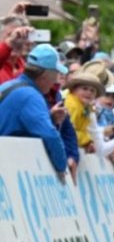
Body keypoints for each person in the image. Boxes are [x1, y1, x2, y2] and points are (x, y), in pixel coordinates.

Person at [0, 44, 69, 175]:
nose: (56, 80)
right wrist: (62, 167)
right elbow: (50, 136)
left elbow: (13, 121)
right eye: (55, 73)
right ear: (44, 76)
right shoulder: (31, 96)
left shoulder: (6, 86)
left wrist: (50, 118)